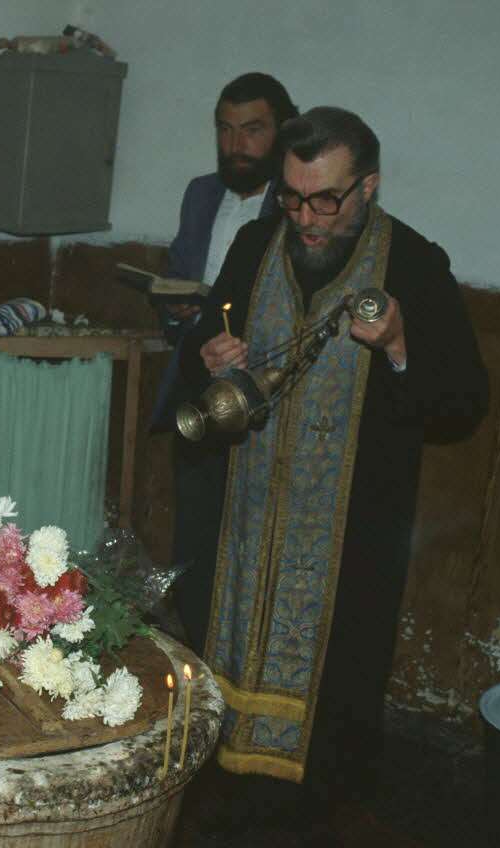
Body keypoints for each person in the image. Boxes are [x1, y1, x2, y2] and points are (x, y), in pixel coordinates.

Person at [174, 107, 487, 799]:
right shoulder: (256, 244)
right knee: (226, 662)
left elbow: (463, 406)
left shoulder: (414, 264)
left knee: (333, 716)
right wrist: (210, 356)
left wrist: (399, 346)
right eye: (291, 197)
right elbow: (202, 351)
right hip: (245, 515)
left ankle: (316, 808)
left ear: (367, 187)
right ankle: (224, 793)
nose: (306, 218)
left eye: (325, 200)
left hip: (352, 534)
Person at [148, 73, 298, 652]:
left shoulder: (296, 205)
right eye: (226, 129)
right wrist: (179, 311)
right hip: (196, 386)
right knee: (195, 537)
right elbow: (178, 277)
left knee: (255, 541)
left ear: (283, 130)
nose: (236, 145)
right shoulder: (201, 194)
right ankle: (198, 655)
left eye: (252, 129)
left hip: (263, 395)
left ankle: (247, 658)